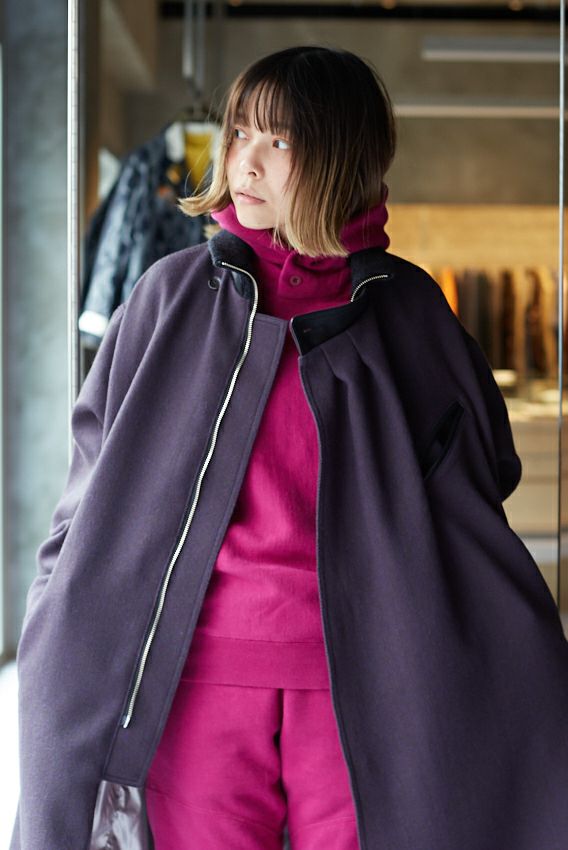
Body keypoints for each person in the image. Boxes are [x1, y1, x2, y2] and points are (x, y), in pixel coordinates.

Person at [10, 45, 568, 850]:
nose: (246, 161)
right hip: (191, 683)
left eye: (280, 140)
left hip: (362, 690)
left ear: (342, 155)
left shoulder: (408, 312)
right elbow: (90, 488)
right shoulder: (169, 297)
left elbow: (475, 491)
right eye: (240, 132)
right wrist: (54, 618)